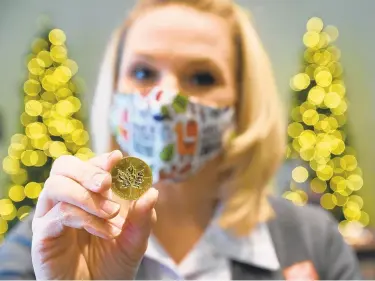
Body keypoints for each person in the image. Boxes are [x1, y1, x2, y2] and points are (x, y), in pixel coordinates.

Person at [0, 0, 362, 279]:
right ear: (114, 91)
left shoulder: (314, 242)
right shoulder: (52, 238)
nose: (166, 101)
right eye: (143, 72)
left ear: (241, 100)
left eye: (202, 77)